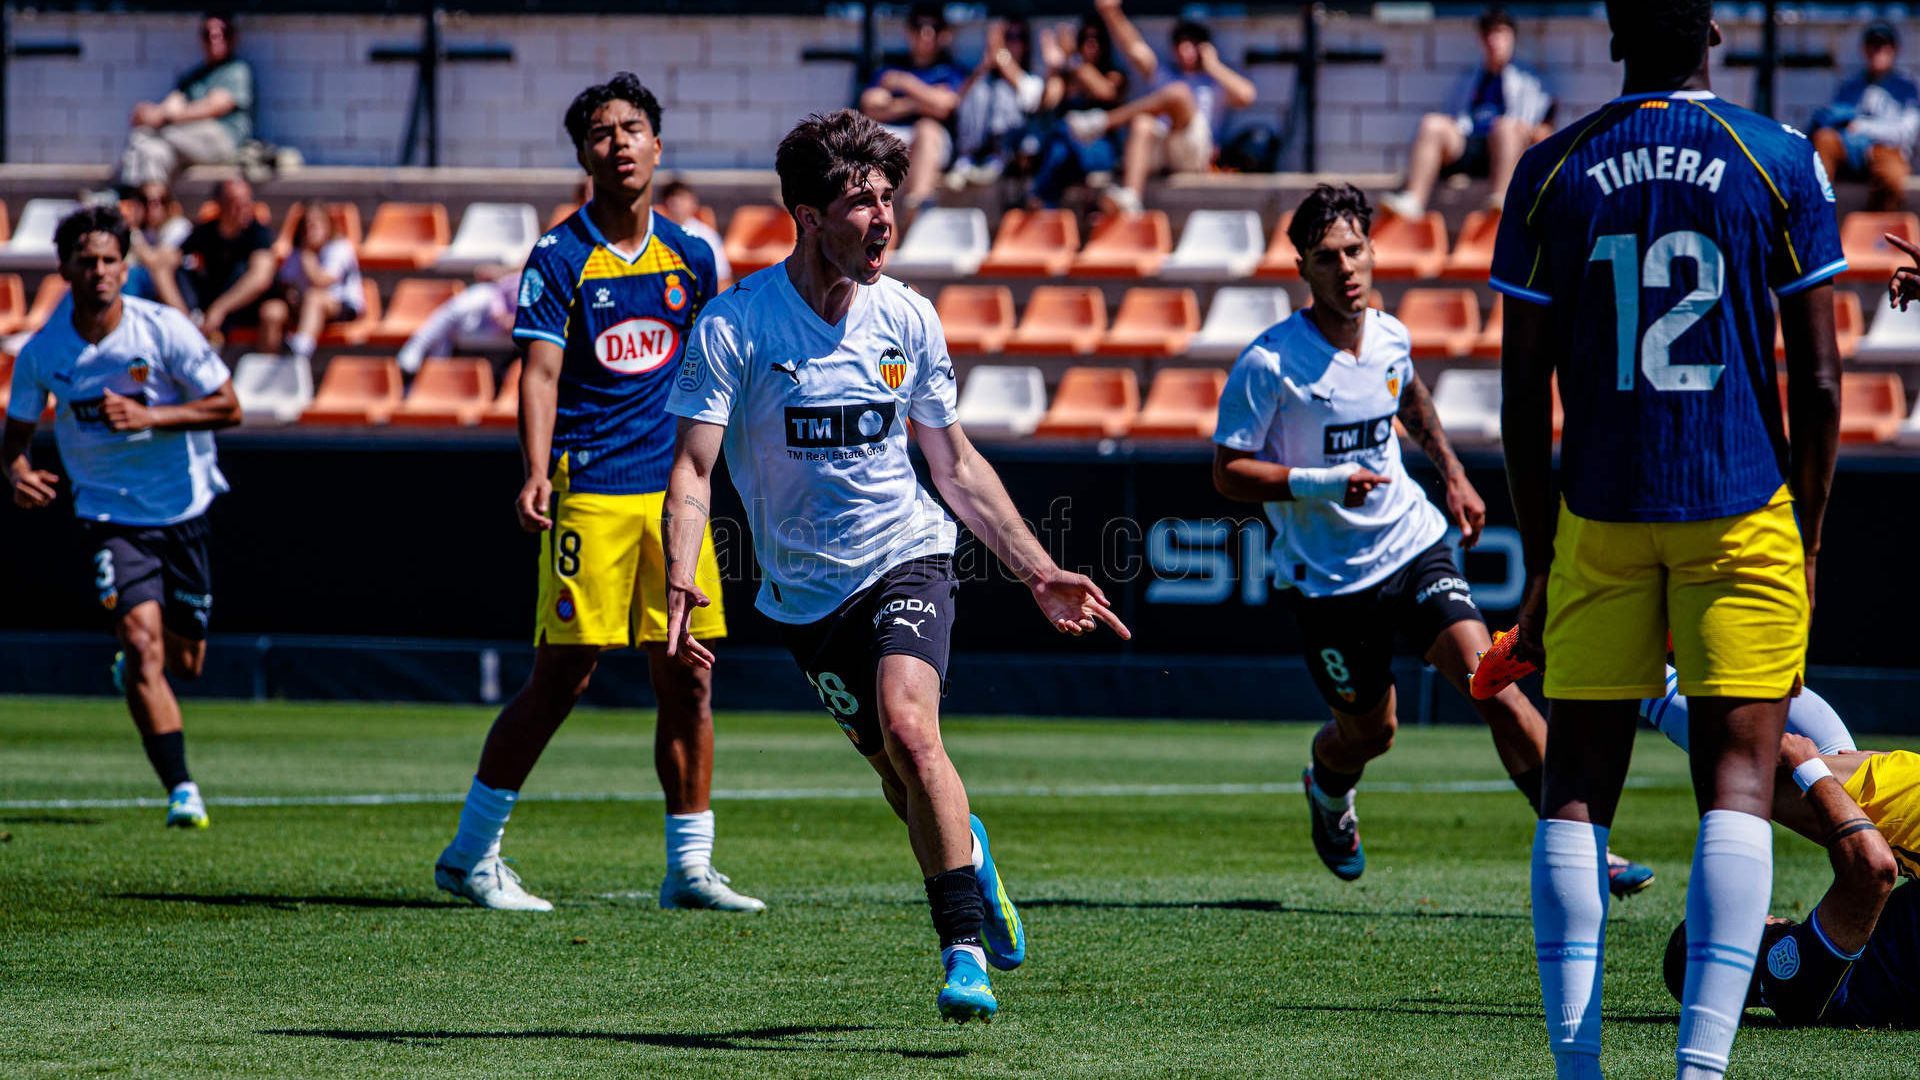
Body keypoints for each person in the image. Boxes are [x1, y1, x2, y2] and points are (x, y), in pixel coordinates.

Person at [661, 109, 1130, 1022]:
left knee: (913, 732)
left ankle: (963, 952)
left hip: (908, 554)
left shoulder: (907, 316)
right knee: (897, 773)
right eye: (860, 201)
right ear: (808, 216)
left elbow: (954, 466)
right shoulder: (736, 325)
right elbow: (692, 469)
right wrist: (683, 574)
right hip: (805, 598)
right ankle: (972, 853)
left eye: (888, 198)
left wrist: (1037, 570)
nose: (883, 218)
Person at [1491, 0, 1846, 1075]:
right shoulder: (1778, 155)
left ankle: (1578, 1070)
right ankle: (1700, 1071)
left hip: (1600, 509)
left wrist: (1542, 553)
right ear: (1713, 34)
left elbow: (1521, 396)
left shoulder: (1549, 168)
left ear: (1612, 36)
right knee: (1737, 781)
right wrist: (1809, 538)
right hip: (1739, 505)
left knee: (1577, 786)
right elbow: (1820, 381)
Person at [1209, 183, 1652, 896]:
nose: (1346, 268)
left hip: (1414, 546)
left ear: (1372, 251)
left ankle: (1585, 849)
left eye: (1355, 250)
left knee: (1495, 686)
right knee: (1370, 735)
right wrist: (1323, 483)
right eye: (1327, 257)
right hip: (1330, 582)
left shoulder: (1389, 333)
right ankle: (1327, 789)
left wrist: (1453, 474)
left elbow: (1409, 396)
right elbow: (1228, 473)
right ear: (1302, 269)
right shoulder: (1270, 364)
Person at [432, 74, 757, 915]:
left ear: (658, 144)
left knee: (689, 675)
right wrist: (536, 470)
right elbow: (539, 374)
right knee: (563, 676)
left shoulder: (694, 255)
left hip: (675, 498)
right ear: (584, 154)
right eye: (603, 132)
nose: (619, 143)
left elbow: (714, 369)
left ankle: (690, 868)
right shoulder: (559, 254)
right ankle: (470, 854)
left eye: (632, 128)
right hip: (592, 491)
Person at [2, 206, 240, 830]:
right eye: (87, 261)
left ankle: (135, 673)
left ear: (126, 266)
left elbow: (229, 406)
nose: (100, 272)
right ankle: (182, 789)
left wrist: (150, 417)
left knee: (186, 663)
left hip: (184, 508)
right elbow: (14, 440)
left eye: (110, 260)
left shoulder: (162, 330)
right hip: (108, 514)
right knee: (141, 643)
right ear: (64, 268)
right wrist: (18, 475)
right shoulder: (44, 352)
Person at [1655, 730, 1913, 1029]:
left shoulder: (1790, 992)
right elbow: (1872, 869)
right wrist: (1809, 768)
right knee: (1744, 776)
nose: (1763, 915)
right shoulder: (1788, 979)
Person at [1063, 0, 1257, 214]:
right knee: (1142, 123)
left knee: (1179, 93)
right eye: (1180, 44)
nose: (1184, 50)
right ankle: (1131, 197)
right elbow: (1134, 48)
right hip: (1162, 148)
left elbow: (1247, 95)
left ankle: (1104, 121)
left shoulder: (1214, 82)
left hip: (1194, 152)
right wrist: (1111, 12)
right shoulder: (1164, 74)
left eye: (1191, 44)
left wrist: (1213, 66)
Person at [1381, 6, 1553, 220]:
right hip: (1469, 143)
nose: (1494, 41)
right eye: (1489, 35)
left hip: (1506, 149)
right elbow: (1455, 118)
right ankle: (1413, 200)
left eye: (1500, 34)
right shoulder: (1470, 77)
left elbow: (1543, 129)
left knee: (1505, 127)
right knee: (1431, 123)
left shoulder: (1530, 80)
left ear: (1512, 38)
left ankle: (1501, 202)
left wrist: (1524, 130)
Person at [118, 11, 253, 187]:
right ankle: (139, 199)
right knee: (152, 151)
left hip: (221, 139)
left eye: (223, 33)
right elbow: (171, 104)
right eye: (208, 34)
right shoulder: (193, 77)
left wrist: (166, 117)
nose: (215, 39)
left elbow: (215, 107)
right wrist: (150, 113)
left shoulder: (236, 70)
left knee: (145, 136)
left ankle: (122, 194)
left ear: (234, 38)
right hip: (187, 139)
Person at [858, 3, 967, 212]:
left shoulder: (952, 71)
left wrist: (905, 83)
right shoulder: (891, 67)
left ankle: (916, 208)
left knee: (927, 129)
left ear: (944, 34)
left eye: (934, 28)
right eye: (919, 27)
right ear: (908, 32)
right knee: (868, 135)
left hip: (933, 143)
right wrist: (922, 101)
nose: (926, 34)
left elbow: (944, 107)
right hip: (894, 138)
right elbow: (871, 105)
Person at [1810, 21, 1919, 213]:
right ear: (1864, 50)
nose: (1878, 51)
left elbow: (1906, 133)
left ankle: (1878, 225)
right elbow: (1834, 120)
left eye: (1883, 46)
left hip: (1887, 151)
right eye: (1873, 46)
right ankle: (1815, 213)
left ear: (1895, 50)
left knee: (1892, 176)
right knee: (1824, 140)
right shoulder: (1850, 85)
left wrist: (1863, 128)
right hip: (1852, 151)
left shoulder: (1907, 88)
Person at [156, 178, 275, 348]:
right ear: (220, 204)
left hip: (243, 309)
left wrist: (220, 308)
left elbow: (260, 278)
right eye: (235, 202)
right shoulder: (205, 231)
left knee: (245, 273)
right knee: (179, 272)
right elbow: (163, 265)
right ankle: (189, 325)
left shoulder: (258, 233)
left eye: (247, 201)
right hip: (206, 306)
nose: (243, 208)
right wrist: (182, 315)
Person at [1024, 16, 1129, 208]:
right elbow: (1047, 103)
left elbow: (1105, 91)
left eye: (1097, 38)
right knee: (1059, 144)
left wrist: (1073, 57)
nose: (1091, 43)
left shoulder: (1113, 73)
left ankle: (1037, 200)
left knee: (1062, 134)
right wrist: (1053, 69)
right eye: (1085, 38)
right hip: (1068, 152)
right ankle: (1042, 205)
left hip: (1099, 148)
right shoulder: (1068, 75)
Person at [258, 200, 363, 360]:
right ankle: (268, 362)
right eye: (307, 225)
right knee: (272, 310)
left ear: (328, 225)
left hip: (339, 305)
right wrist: (289, 294)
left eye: (316, 224)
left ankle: (300, 350)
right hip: (302, 307)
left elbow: (321, 281)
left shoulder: (339, 248)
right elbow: (283, 282)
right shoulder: (296, 252)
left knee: (314, 297)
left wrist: (308, 256)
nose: (311, 229)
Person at [951, 17, 1044, 187]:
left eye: (1017, 37)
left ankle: (997, 156)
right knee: (979, 90)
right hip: (976, 149)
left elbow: (1031, 98)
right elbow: (956, 101)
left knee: (1003, 92)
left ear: (1026, 44)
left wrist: (1000, 55)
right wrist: (985, 65)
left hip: (1013, 153)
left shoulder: (1033, 78)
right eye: (1007, 37)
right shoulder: (983, 78)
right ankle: (967, 158)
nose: (1010, 44)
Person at [396, 270, 518, 375]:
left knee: (451, 327)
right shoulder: (515, 278)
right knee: (458, 310)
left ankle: (421, 353)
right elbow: (501, 289)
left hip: (499, 329)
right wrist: (499, 313)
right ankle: (420, 349)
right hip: (489, 308)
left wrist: (512, 321)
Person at [121, 182, 192, 304]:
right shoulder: (144, 231)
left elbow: (154, 261)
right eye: (144, 200)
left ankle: (182, 315)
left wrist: (133, 229)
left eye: (159, 201)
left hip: (183, 284)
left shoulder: (178, 226)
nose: (151, 206)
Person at [658, 179, 732, 284]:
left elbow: (722, 275)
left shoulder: (706, 235)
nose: (677, 202)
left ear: (693, 202)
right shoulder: (654, 234)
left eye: (682, 197)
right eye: (672, 197)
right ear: (664, 203)